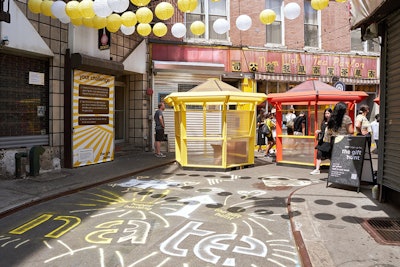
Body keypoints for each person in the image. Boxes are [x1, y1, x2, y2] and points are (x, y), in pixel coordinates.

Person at [310, 102, 354, 175]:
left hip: (333, 141)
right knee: (343, 158)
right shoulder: (346, 118)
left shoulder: (332, 119)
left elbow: (329, 131)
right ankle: (344, 174)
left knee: (335, 158)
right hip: (343, 141)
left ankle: (335, 174)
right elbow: (350, 131)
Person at [312, 108, 333, 174]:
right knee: (319, 153)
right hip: (323, 140)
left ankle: (334, 170)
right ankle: (317, 169)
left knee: (331, 155)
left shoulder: (333, 122)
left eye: (328, 113)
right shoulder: (323, 122)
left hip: (330, 141)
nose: (327, 115)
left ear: (331, 114)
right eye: (325, 113)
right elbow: (323, 130)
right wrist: (319, 131)